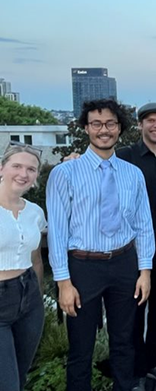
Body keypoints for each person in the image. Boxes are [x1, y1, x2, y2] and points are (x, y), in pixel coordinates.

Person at [47, 99, 154, 391]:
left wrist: (144, 271)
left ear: (119, 128)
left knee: (124, 342)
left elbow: (143, 226)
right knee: (81, 348)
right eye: (96, 123)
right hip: (83, 267)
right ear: (86, 128)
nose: (103, 130)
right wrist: (63, 283)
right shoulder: (64, 174)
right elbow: (57, 231)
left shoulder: (133, 175)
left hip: (124, 264)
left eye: (110, 124)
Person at [116, 102, 156, 389]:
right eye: (151, 121)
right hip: (132, 247)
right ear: (141, 125)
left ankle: (153, 362)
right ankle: (131, 369)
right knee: (132, 311)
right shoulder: (124, 156)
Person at [0, 144, 47, 391]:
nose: (23, 174)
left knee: (20, 376)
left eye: (31, 169)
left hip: (28, 297)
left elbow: (36, 257)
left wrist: (36, 294)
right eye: (16, 166)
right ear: (1, 168)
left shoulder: (34, 212)